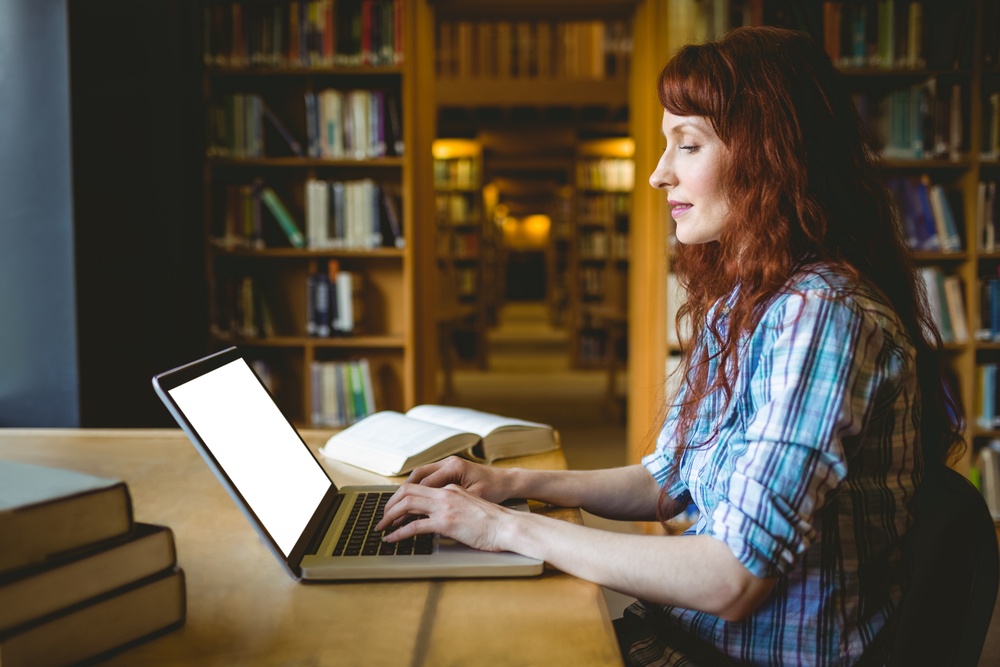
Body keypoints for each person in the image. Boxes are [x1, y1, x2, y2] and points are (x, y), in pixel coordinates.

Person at [376, 25, 965, 666]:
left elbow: (731, 578)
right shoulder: (747, 302)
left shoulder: (821, 316)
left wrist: (504, 527)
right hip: (690, 635)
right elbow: (670, 479)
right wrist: (507, 481)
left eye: (687, 145)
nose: (658, 175)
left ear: (771, 155)